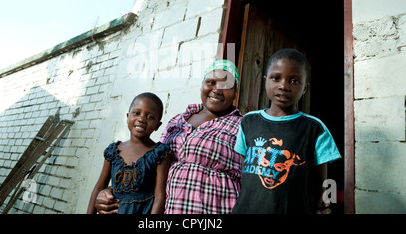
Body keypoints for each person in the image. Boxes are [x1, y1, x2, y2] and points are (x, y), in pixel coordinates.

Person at [94, 60, 243, 214]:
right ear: (202, 84)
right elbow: (149, 167)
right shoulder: (178, 120)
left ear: (235, 92)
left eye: (226, 86)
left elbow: (252, 180)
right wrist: (111, 192)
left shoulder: (244, 126)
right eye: (211, 82)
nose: (217, 90)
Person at [232, 48, 341, 214]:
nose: (284, 86)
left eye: (295, 81)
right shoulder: (248, 121)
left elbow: (322, 180)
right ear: (265, 80)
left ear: (305, 88)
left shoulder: (314, 128)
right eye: (276, 78)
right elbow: (244, 170)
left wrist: (321, 206)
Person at [86, 92, 171, 214]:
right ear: (127, 117)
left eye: (150, 117)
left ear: (157, 125)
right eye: (136, 113)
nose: (141, 119)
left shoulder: (159, 154)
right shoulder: (114, 151)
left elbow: (160, 197)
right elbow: (99, 187)